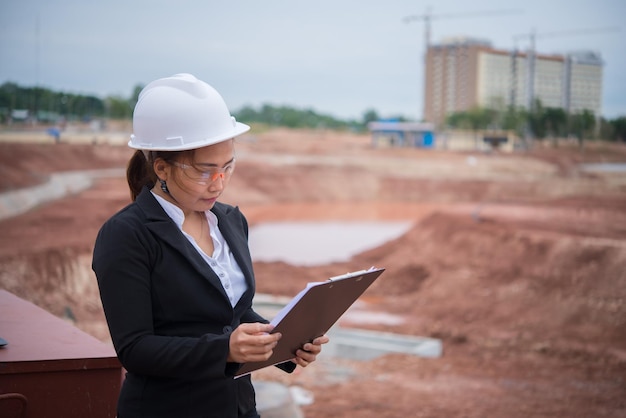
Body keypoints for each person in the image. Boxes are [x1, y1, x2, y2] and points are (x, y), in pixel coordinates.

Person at [92, 73, 329, 418]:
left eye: (227, 167)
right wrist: (226, 349)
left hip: (238, 407)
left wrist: (286, 344)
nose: (218, 184)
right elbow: (135, 349)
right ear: (162, 168)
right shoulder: (126, 235)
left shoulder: (230, 221)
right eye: (205, 171)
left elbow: (231, 311)